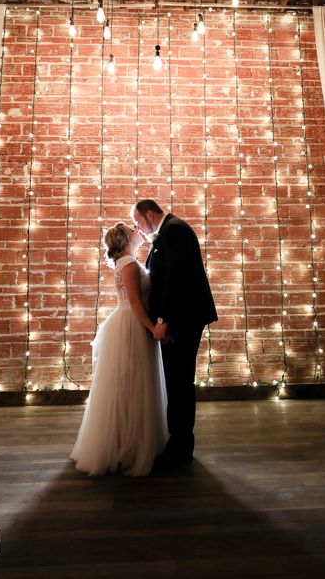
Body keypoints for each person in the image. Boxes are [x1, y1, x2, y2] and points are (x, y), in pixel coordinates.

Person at [70, 222, 168, 477]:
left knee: (130, 384)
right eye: (134, 229)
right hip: (132, 325)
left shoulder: (127, 261)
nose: (139, 231)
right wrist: (152, 328)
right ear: (125, 239)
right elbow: (135, 301)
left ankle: (129, 441)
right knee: (131, 383)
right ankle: (127, 445)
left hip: (129, 322)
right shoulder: (128, 264)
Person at [132, 200, 217, 468]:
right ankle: (178, 441)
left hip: (183, 319)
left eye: (139, 222)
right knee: (176, 381)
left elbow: (176, 279)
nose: (138, 228)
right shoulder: (168, 232)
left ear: (149, 213)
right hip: (179, 318)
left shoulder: (175, 230)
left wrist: (164, 320)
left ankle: (181, 446)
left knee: (179, 382)